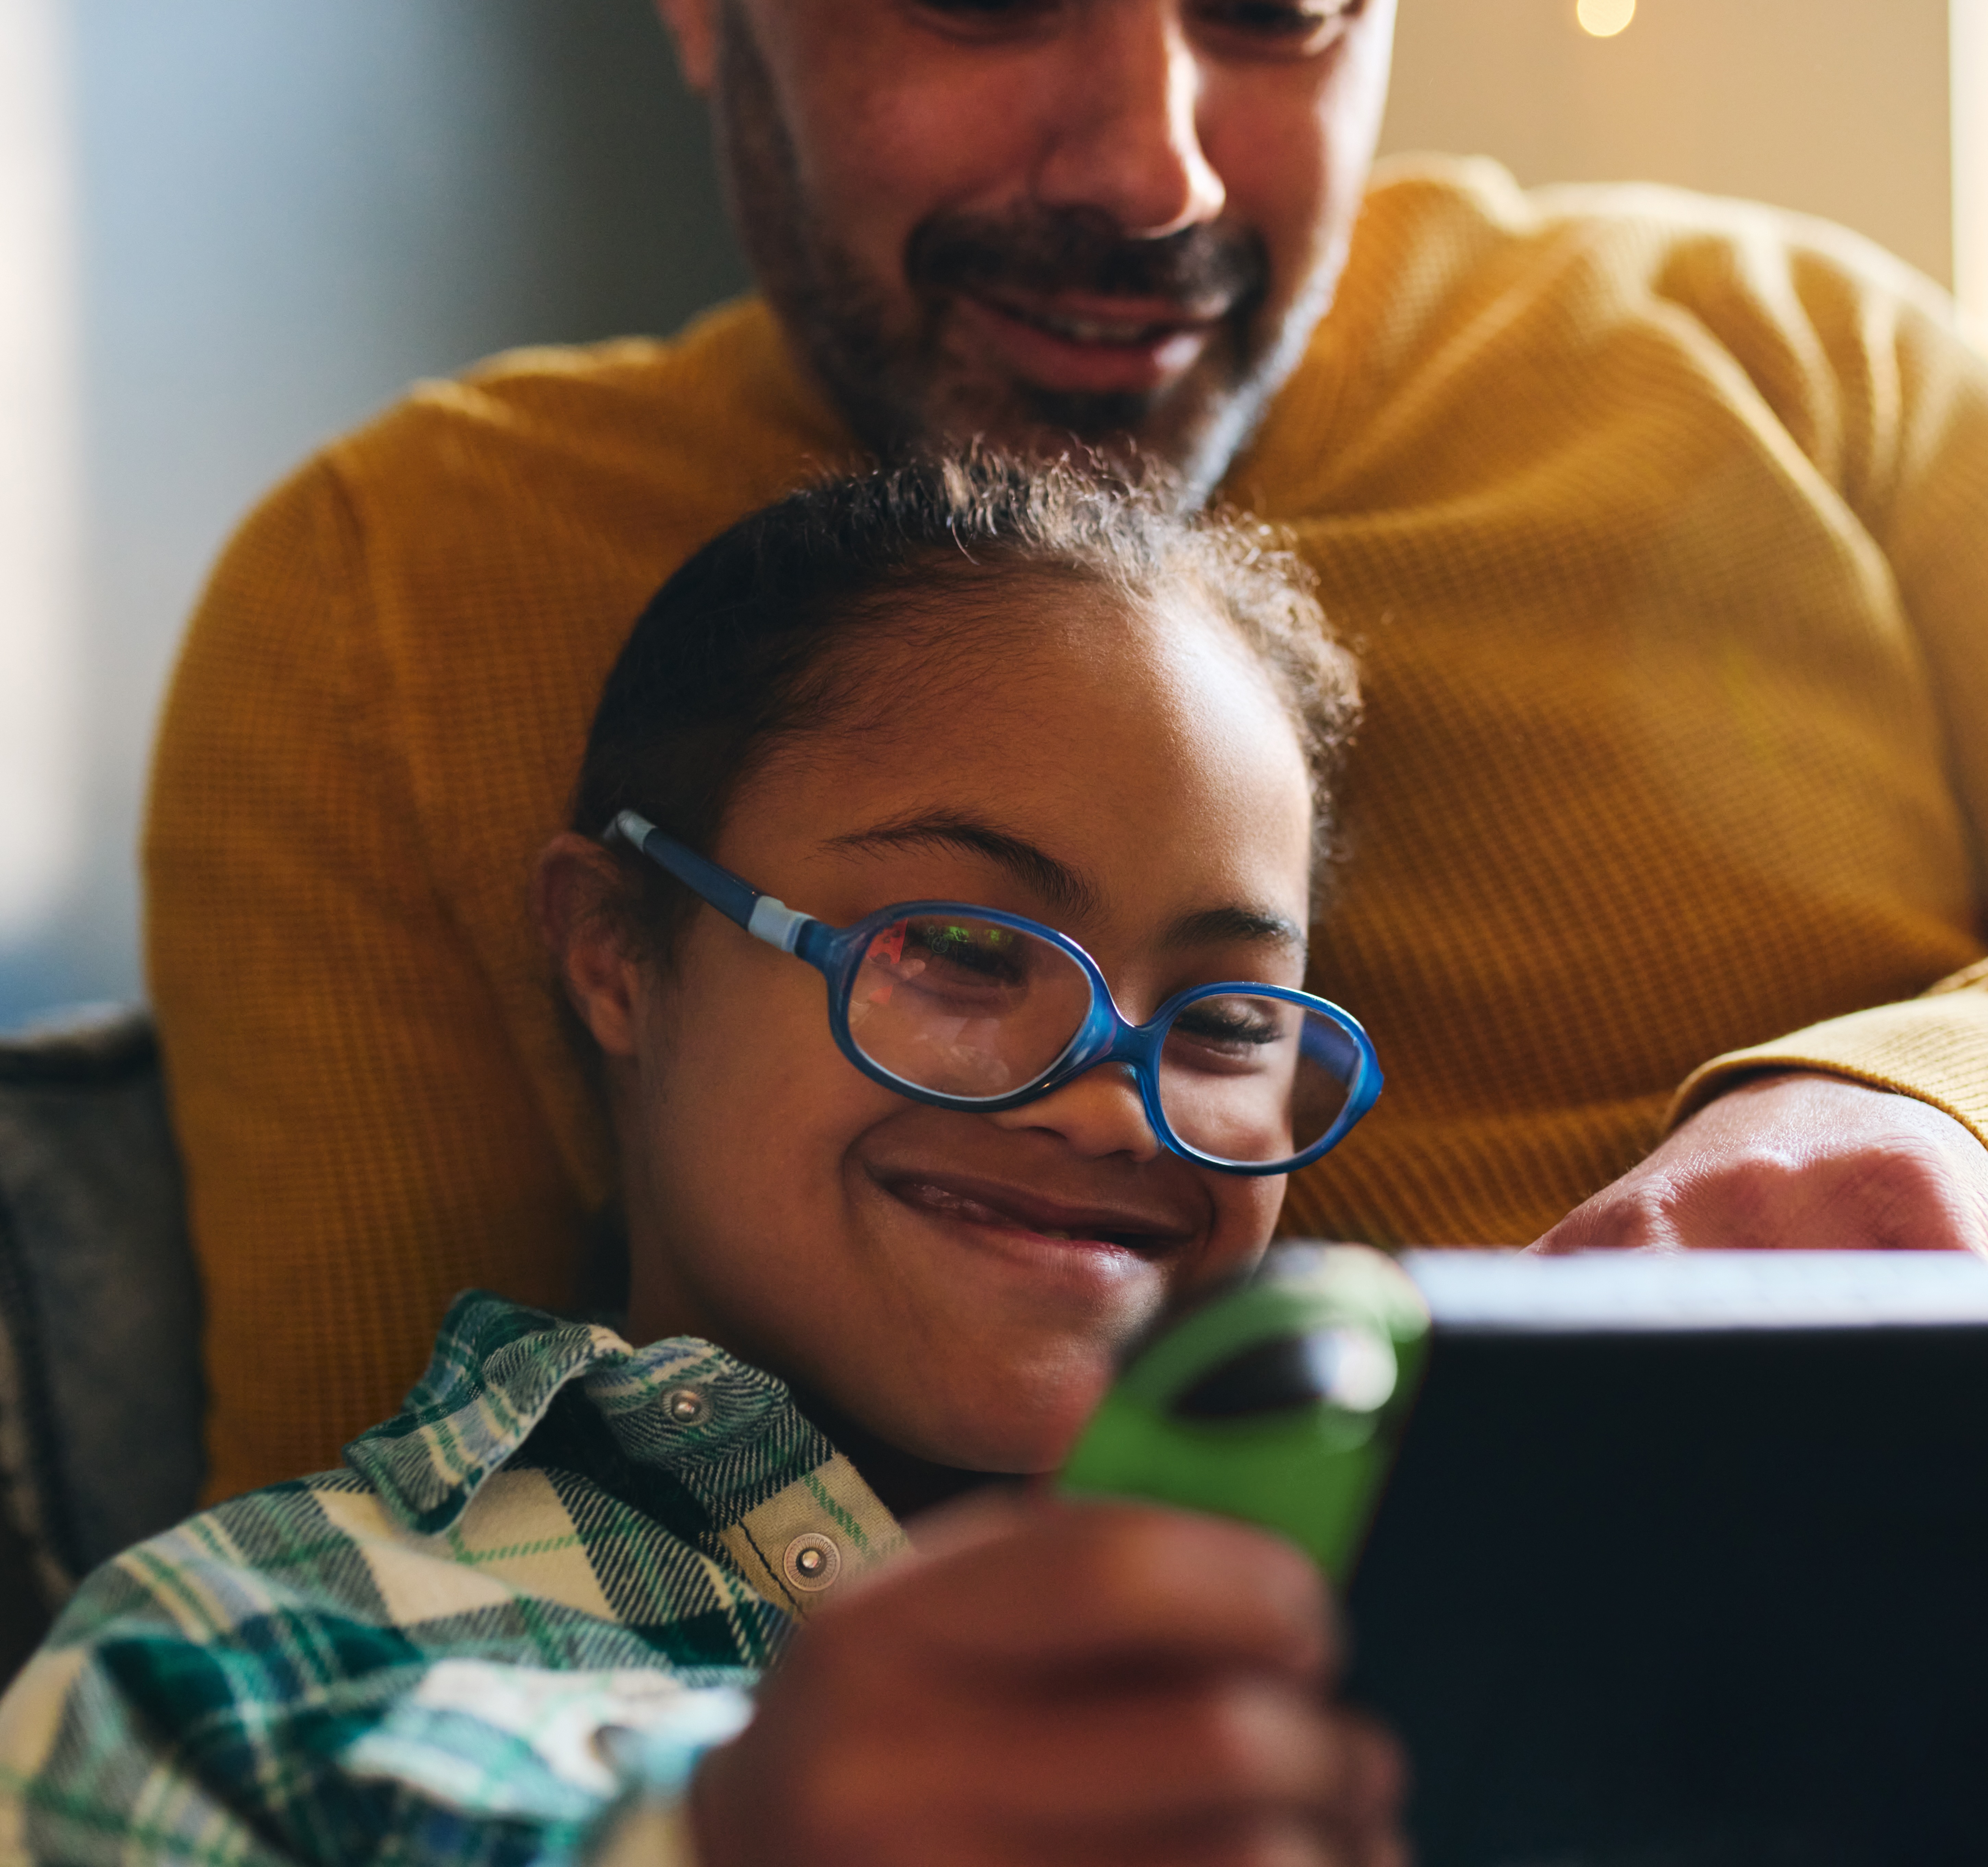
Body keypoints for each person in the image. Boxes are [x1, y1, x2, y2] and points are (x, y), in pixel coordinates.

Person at [147, 0, 1988, 1503]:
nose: (1148, 168)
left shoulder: (1811, 368)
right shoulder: (389, 595)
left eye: (1274, 13)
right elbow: (361, 1578)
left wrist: (1914, 1101)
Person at [2, 459, 1406, 1867]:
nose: (1110, 1113)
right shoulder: (221, 1670)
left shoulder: (1414, 1625)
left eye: (1223, 1019)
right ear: (617, 953)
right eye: (964, 951)